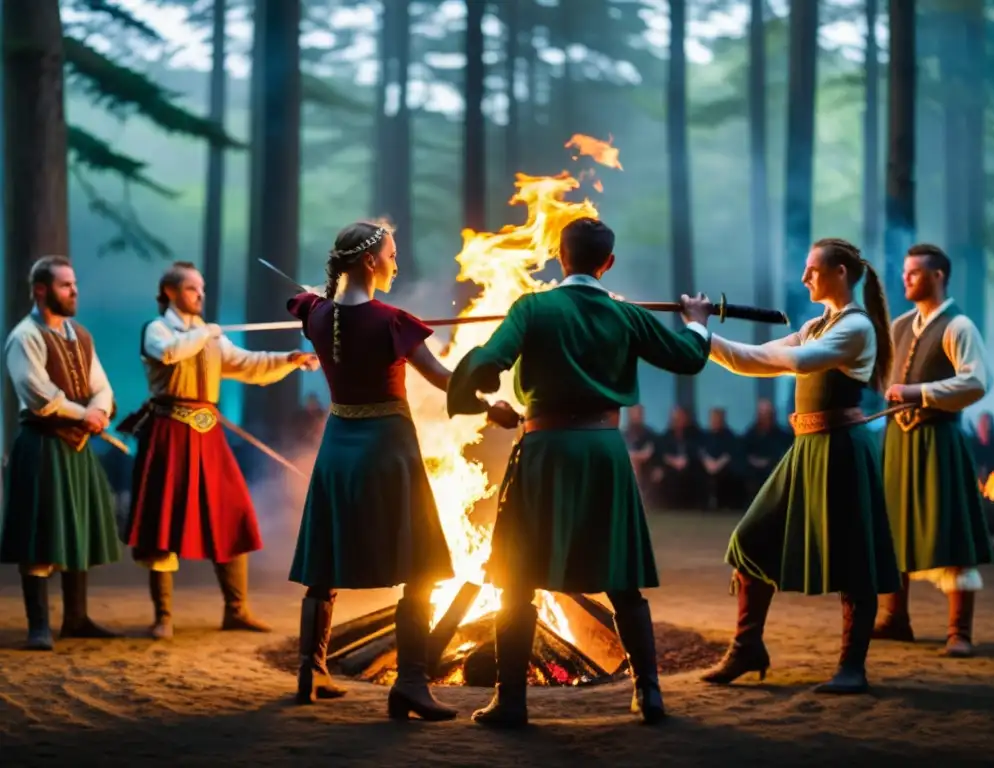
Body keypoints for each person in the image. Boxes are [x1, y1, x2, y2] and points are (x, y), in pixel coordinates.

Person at [446, 217, 714, 726]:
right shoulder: (626, 316)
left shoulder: (531, 308)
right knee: (622, 578)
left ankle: (511, 702)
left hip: (545, 451)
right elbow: (687, 357)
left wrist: (483, 401)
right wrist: (697, 318)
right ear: (607, 262)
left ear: (557, 254)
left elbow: (486, 364)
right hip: (604, 453)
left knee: (518, 579)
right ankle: (649, 694)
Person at [285, 222, 512, 718]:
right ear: (369, 262)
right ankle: (410, 682)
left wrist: (322, 301)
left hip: (338, 445)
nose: (396, 263)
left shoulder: (316, 315)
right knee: (420, 564)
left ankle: (311, 669)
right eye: (391, 254)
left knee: (326, 562)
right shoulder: (392, 322)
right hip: (388, 449)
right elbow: (442, 378)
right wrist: (490, 406)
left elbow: (308, 305)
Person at [698, 238, 901, 694]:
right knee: (749, 540)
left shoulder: (856, 328)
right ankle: (748, 647)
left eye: (812, 269)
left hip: (843, 449)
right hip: (807, 447)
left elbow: (797, 361)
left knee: (854, 557)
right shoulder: (816, 325)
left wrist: (703, 333)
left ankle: (853, 668)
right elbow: (755, 361)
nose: (805, 277)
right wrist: (703, 336)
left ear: (841, 273)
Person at [119, 261, 318, 639]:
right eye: (193, 289)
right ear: (172, 292)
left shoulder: (208, 336)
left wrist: (290, 360)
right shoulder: (158, 330)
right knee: (164, 522)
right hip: (168, 433)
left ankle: (236, 610)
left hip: (207, 435)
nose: (200, 295)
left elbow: (246, 364)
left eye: (202, 289)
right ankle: (163, 617)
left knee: (232, 512)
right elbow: (169, 354)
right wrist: (205, 333)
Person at [875, 243, 994, 657]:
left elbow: (977, 383)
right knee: (893, 529)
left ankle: (959, 631)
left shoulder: (959, 326)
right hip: (898, 442)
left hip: (938, 441)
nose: (906, 278)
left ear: (937, 276)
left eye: (914, 272)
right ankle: (895, 618)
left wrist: (919, 392)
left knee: (950, 531)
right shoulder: (900, 325)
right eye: (905, 272)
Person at [1, 256, 122, 649]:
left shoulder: (80, 336)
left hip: (77, 447)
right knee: (41, 534)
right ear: (40, 290)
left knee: (77, 529)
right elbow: (39, 396)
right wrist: (82, 413)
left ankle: (76, 618)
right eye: (65, 285)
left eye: (74, 284)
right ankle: (39, 626)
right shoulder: (25, 337)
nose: (74, 291)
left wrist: (100, 409)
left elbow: (99, 384)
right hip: (42, 446)